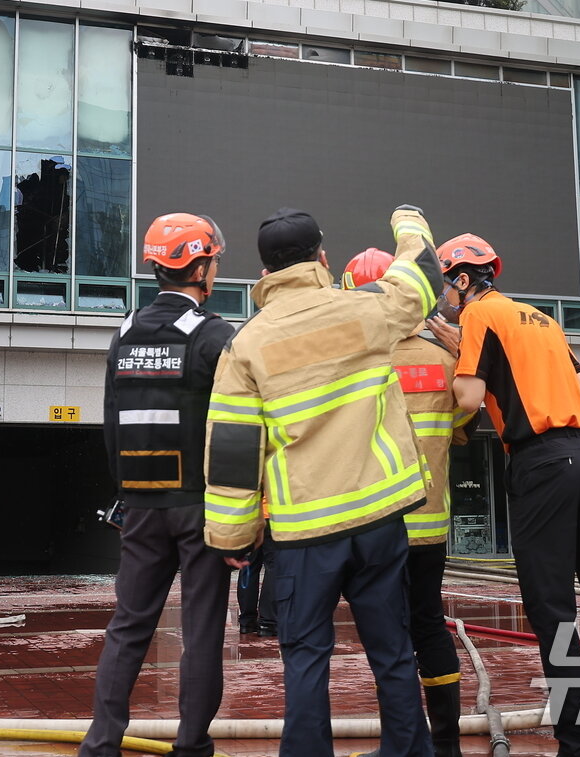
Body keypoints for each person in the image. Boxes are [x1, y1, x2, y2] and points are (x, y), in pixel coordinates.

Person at [204, 206, 442, 757]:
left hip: (306, 534)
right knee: (392, 651)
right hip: (379, 521)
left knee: (306, 656)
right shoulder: (368, 310)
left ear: (264, 272)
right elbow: (426, 273)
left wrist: (233, 537)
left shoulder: (247, 345)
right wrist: (408, 221)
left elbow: (234, 452)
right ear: (322, 258)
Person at [443, 233, 580, 757]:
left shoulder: (477, 316)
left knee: (553, 609)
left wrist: (453, 369)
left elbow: (470, 397)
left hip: (542, 464)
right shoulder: (541, 320)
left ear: (464, 280)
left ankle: (578, 743)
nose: (447, 298)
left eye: (449, 285)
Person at [79, 214, 237, 757]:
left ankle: (101, 743)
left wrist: (127, 493)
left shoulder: (122, 332)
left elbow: (111, 423)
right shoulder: (216, 335)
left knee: (127, 627)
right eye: (213, 260)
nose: (215, 268)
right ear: (198, 266)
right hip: (199, 508)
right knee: (202, 633)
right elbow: (234, 431)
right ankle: (191, 745)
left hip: (141, 506)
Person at [342, 247, 474, 757]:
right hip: (429, 526)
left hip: (376, 523)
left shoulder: (359, 361)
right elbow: (462, 426)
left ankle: (402, 742)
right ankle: (446, 745)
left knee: (388, 634)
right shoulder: (447, 359)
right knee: (429, 625)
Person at [236, 498, 275, 637]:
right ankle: (268, 621)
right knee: (273, 568)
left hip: (249, 516)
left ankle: (246, 621)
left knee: (248, 567)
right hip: (272, 515)